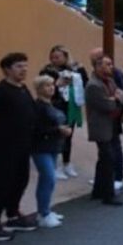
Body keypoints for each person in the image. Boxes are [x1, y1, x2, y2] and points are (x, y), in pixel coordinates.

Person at [0, 53, 39, 242]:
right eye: (18, 66)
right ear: (7, 69)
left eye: (25, 65)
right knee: (0, 184)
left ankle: (12, 215)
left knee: (20, 179)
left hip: (23, 144)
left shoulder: (23, 89)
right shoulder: (0, 91)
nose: (23, 69)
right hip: (5, 146)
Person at [39, 46, 86, 180]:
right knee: (57, 135)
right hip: (55, 107)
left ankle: (67, 163)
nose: (54, 60)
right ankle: (55, 165)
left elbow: (84, 82)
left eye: (58, 57)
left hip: (70, 106)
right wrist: (56, 84)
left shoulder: (73, 69)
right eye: (52, 57)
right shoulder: (47, 71)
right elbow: (41, 88)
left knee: (68, 135)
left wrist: (80, 72)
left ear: (66, 57)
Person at [31, 74, 70, 228]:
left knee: (48, 180)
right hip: (40, 147)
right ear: (39, 89)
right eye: (47, 85)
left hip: (53, 146)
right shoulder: (38, 107)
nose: (51, 87)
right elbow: (36, 129)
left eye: (52, 85)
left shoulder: (51, 104)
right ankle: (43, 214)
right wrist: (58, 129)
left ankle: (46, 209)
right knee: (48, 177)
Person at [85, 54, 123, 206]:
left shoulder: (110, 81)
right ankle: (108, 195)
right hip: (101, 127)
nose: (111, 67)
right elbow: (106, 106)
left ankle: (98, 190)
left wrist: (115, 98)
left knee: (104, 159)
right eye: (108, 64)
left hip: (113, 124)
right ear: (98, 67)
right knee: (108, 159)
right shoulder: (94, 85)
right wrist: (115, 98)